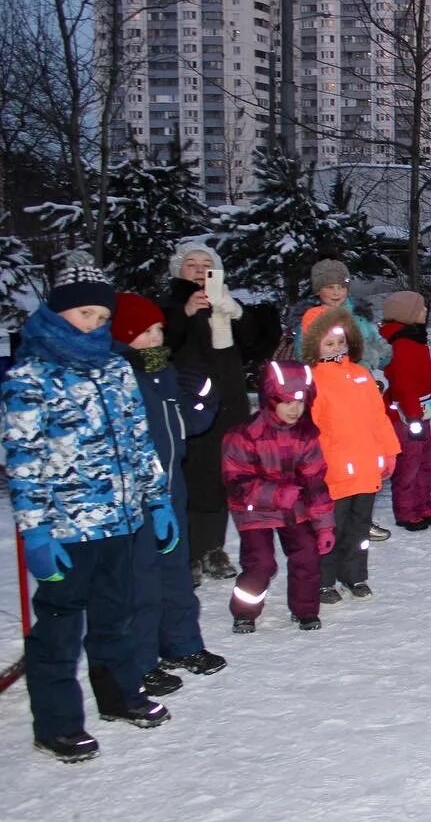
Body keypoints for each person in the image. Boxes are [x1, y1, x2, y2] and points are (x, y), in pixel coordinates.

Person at [4, 255, 176, 762]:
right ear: (59, 312)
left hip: (121, 521)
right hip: (65, 529)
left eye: (102, 318)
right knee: (58, 626)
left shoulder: (116, 369)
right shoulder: (30, 376)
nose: (95, 325)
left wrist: (158, 500)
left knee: (115, 617)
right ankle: (56, 723)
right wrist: (36, 533)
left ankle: (119, 695)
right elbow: (23, 461)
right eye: (86, 316)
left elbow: (139, 441)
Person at [109, 293, 228, 697]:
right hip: (137, 499)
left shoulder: (162, 370)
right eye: (146, 331)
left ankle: (181, 644)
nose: (157, 336)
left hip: (172, 492)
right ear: (124, 335)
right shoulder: (120, 376)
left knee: (175, 574)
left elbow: (185, 426)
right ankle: (141, 662)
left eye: (159, 329)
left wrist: (205, 400)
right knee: (140, 582)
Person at [162, 242, 254, 583]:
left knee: (222, 479)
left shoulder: (227, 301)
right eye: (191, 263)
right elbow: (161, 343)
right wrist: (185, 312)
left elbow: (254, 346)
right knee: (194, 480)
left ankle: (213, 549)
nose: (199, 269)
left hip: (229, 404)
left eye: (206, 263)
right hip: (192, 405)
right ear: (178, 270)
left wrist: (235, 313)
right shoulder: (170, 306)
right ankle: (189, 552)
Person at [222, 360, 337, 631]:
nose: (294, 409)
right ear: (270, 400)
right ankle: (244, 612)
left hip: (293, 506)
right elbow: (237, 481)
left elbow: (315, 483)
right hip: (253, 508)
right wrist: (277, 495)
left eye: (300, 402)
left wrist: (324, 526)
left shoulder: (306, 435)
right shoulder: (244, 435)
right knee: (261, 562)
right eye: (286, 402)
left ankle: (305, 610)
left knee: (307, 554)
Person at [290, 257, 393, 542]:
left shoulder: (359, 316)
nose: (336, 292)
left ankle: (363, 517)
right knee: (337, 452)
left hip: (361, 384)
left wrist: (378, 355)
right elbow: (305, 352)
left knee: (364, 447)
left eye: (341, 286)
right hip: (329, 388)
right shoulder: (313, 319)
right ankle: (331, 513)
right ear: (318, 290)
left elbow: (376, 344)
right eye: (329, 287)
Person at [301, 305, 399, 603]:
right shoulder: (312, 380)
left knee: (358, 529)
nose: (336, 348)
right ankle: (324, 580)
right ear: (313, 344)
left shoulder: (360, 375)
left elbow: (378, 417)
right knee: (330, 529)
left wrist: (389, 451)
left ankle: (355, 575)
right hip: (333, 471)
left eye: (340, 341)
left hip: (366, 467)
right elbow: (309, 428)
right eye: (328, 343)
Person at [379, 290, 431, 531]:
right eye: (421, 308)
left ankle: (423, 506)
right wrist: (413, 415)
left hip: (421, 411)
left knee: (426, 461)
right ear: (406, 313)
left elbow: (424, 376)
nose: (425, 312)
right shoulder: (402, 343)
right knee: (410, 463)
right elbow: (404, 383)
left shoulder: (415, 339)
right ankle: (406, 511)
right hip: (407, 416)